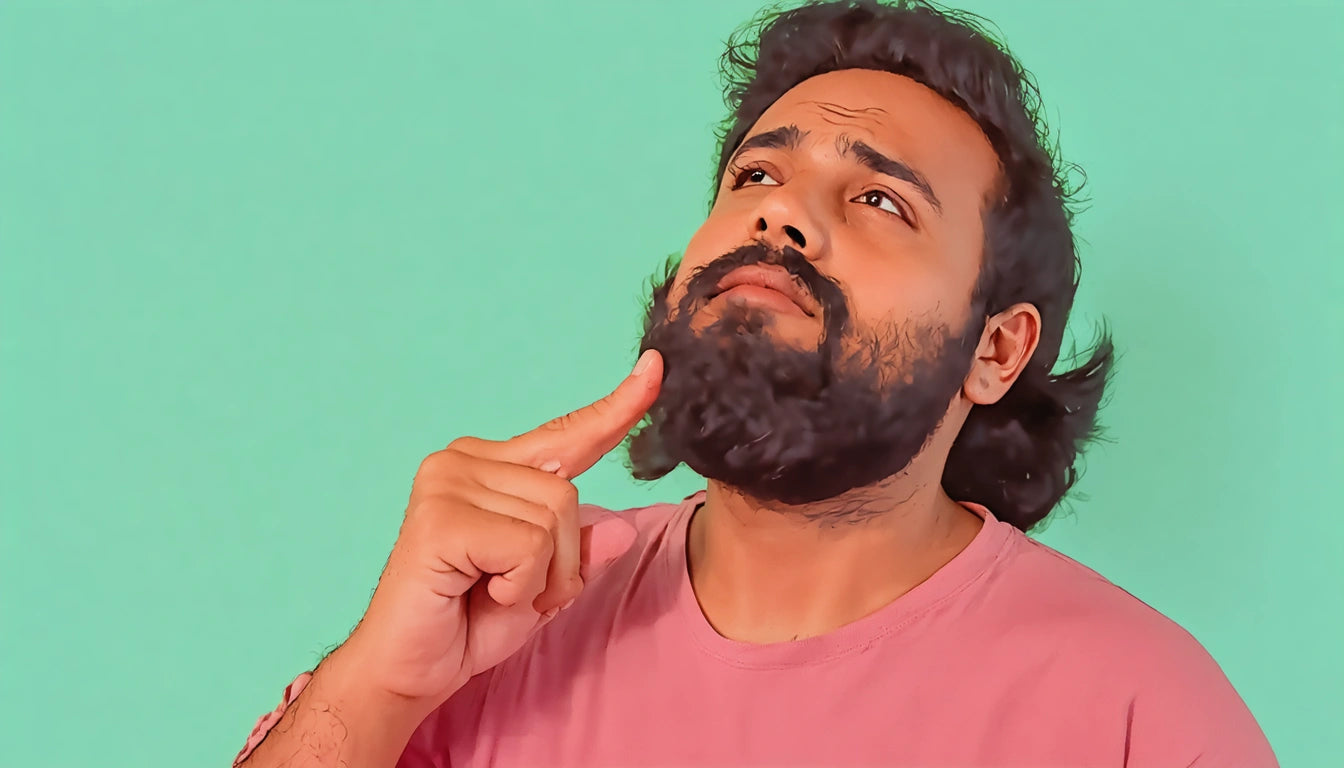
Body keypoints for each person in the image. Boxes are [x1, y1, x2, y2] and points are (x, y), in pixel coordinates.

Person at [234, 1, 1278, 765]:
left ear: (993, 352)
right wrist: (380, 681)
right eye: (755, 176)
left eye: (878, 197)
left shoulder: (1140, 711)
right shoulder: (502, 618)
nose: (778, 217)